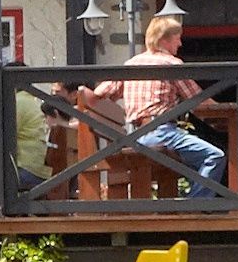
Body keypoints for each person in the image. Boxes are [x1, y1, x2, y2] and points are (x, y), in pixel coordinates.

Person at [88, 10, 228, 194]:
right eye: (177, 38)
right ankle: (195, 207)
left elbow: (97, 95)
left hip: (137, 135)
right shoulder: (171, 64)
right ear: (164, 40)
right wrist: (227, 114)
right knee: (214, 156)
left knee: (195, 161)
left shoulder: (130, 64)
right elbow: (200, 103)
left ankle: (195, 204)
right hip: (163, 133)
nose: (180, 43)